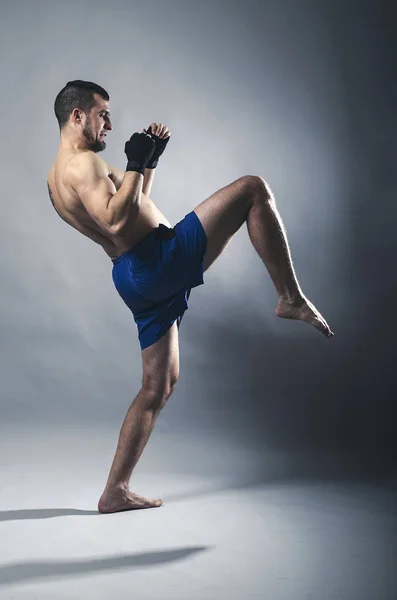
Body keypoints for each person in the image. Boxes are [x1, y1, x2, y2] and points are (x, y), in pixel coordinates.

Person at [47, 80, 334, 514]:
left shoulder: (56, 177)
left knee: (156, 386)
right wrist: (132, 162)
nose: (110, 121)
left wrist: (147, 164)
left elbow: (133, 204)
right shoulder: (83, 165)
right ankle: (289, 297)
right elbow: (114, 221)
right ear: (77, 116)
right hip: (155, 261)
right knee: (252, 188)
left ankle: (115, 491)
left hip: (134, 274)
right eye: (102, 113)